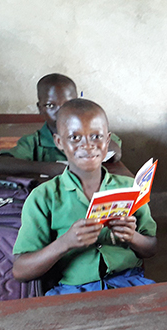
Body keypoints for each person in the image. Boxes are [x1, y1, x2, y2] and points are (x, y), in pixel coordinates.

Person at [12, 99, 157, 296]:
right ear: (59, 142)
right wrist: (65, 243)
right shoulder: (44, 197)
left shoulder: (130, 188)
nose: (87, 145)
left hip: (129, 282)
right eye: (74, 137)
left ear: (107, 141)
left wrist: (132, 237)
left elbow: (151, 248)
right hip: (71, 291)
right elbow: (20, 271)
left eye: (96, 136)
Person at [0, 73, 122, 177]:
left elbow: (115, 152)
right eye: (50, 105)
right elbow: (0, 164)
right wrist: (47, 168)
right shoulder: (35, 141)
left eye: (68, 103)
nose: (61, 112)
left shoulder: (94, 134)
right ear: (40, 108)